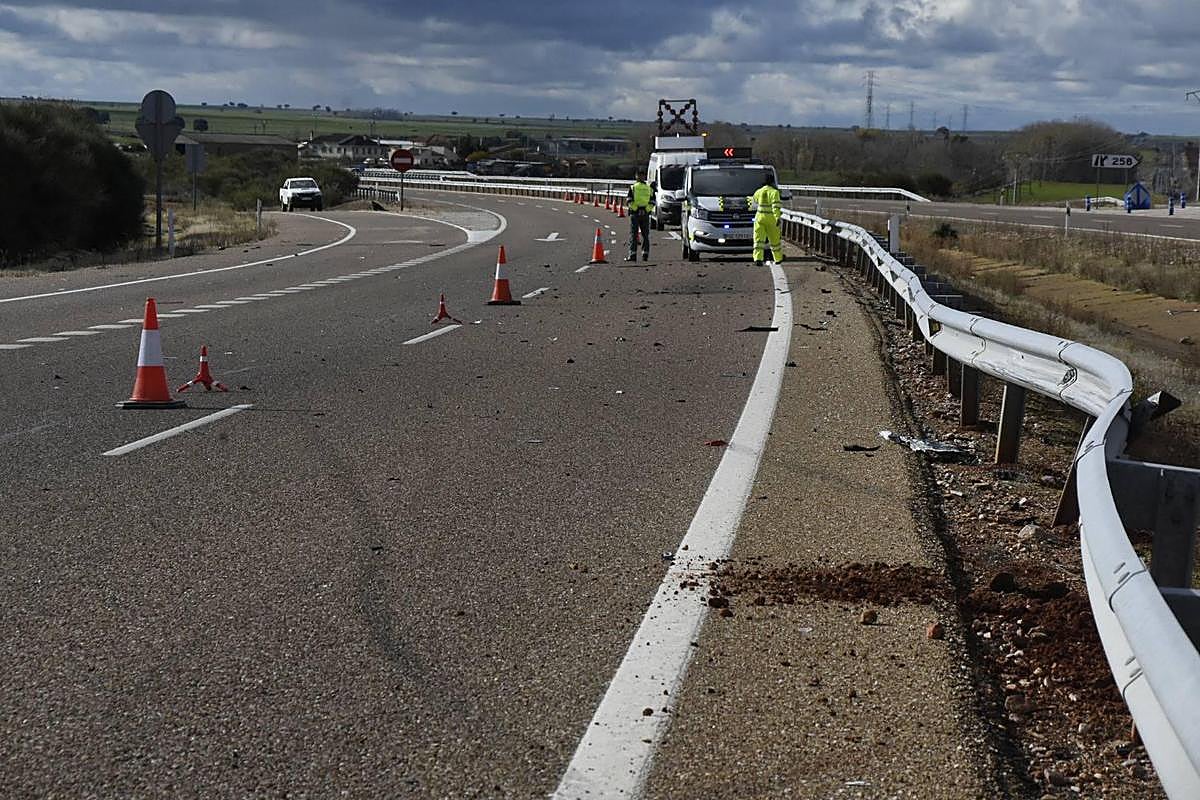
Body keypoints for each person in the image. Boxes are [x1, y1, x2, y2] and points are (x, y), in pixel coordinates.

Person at [749, 173, 783, 266]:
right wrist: (777, 218)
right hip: (771, 219)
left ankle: (758, 259)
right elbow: (776, 207)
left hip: (759, 218)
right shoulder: (774, 192)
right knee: (774, 241)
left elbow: (754, 200)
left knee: (758, 240)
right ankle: (778, 259)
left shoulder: (759, 191)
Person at [625, 177, 653, 261]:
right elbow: (653, 202)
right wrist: (646, 210)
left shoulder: (633, 187)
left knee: (633, 234)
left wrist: (636, 209)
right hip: (645, 214)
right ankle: (645, 254)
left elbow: (629, 200)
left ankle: (632, 255)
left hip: (635, 214)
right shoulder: (649, 188)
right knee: (645, 235)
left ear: (637, 177)